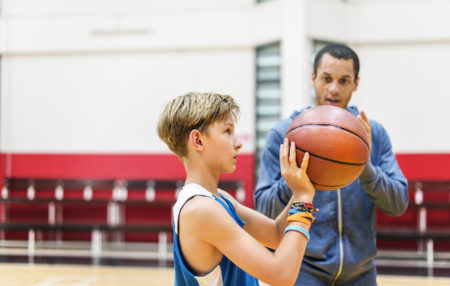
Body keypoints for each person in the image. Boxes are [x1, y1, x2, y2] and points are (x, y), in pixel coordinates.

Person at [254, 43, 409, 285]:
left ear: (356, 83)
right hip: (303, 273)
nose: (334, 89)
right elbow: (263, 211)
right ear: (313, 78)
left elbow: (398, 203)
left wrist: (365, 167)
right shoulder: (284, 134)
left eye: (344, 80)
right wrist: (294, 181)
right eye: (326, 78)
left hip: (361, 274)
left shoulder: (373, 135)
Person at [157, 92, 318, 286]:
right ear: (198, 141)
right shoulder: (201, 210)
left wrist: (304, 187)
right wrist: (302, 199)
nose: (238, 143)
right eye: (227, 131)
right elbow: (282, 276)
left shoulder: (218, 199)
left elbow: (276, 235)